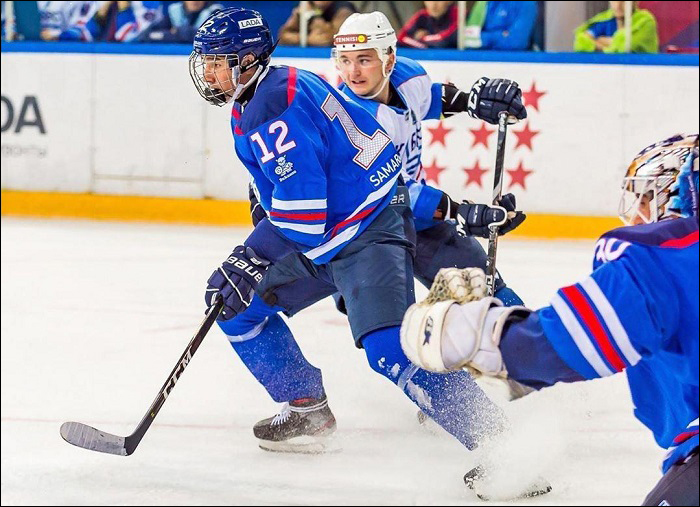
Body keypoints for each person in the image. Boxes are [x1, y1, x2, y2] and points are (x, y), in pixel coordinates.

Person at [190, 7, 547, 498]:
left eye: (218, 60)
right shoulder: (281, 85)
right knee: (238, 309)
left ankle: (506, 448)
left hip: (367, 231)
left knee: (388, 350)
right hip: (331, 234)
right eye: (205, 60)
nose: (207, 71)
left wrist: (250, 256)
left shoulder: (272, 109)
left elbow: (304, 213)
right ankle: (305, 409)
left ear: (249, 60)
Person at [400, 133, 699, 505]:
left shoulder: (667, 256)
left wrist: (478, 335)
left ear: (680, 194)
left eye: (645, 197)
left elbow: (566, 345)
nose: (637, 211)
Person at [574, 1, 658, 54]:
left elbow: (625, 47)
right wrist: (610, 45)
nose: (617, 6)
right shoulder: (606, 19)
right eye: (614, 1)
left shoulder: (645, 20)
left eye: (623, 1)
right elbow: (581, 42)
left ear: (635, 2)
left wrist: (598, 43)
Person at [463, 0, 537, 51]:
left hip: (515, 65)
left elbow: (516, 41)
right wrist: (501, 35)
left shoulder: (526, 3)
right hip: (484, 62)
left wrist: (484, 38)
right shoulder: (485, 3)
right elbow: (469, 39)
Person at [278, 0, 356, 47]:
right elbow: (282, 37)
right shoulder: (305, 6)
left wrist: (313, 15)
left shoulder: (343, 10)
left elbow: (328, 39)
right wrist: (307, 40)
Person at [138, 1, 221, 43]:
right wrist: (172, 35)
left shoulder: (215, 12)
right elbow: (146, 35)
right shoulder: (175, 11)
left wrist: (177, 31)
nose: (194, 1)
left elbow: (211, 37)